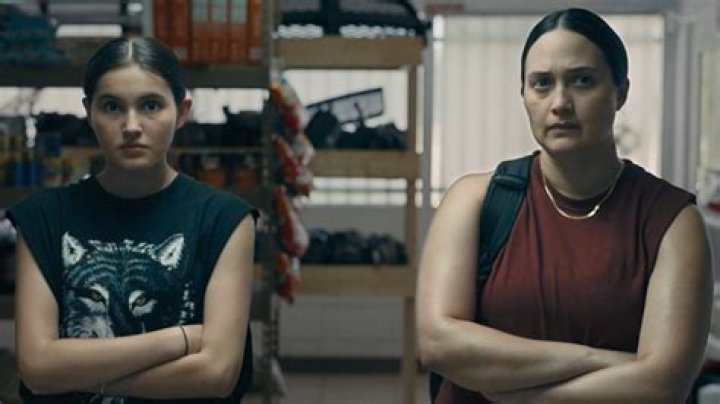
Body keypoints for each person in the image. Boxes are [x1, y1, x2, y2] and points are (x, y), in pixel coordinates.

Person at [417, 7, 713, 403]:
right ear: (524, 95)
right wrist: (599, 360)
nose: (559, 103)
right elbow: (438, 344)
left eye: (582, 80)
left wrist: (520, 396)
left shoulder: (671, 221)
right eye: (542, 83)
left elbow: (662, 387)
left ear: (620, 92)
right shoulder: (475, 200)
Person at [8, 37, 257, 403]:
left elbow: (216, 374)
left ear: (182, 111)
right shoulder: (43, 217)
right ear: (88, 111)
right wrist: (179, 339)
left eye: (151, 105)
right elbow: (37, 367)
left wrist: (76, 375)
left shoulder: (224, 219)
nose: (131, 126)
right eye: (112, 106)